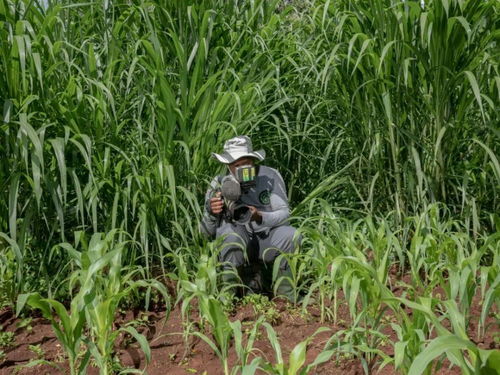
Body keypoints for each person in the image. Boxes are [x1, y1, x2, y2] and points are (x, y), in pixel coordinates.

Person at [200, 135, 300, 302]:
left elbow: (284, 214)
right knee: (229, 233)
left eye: (247, 163)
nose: (243, 168)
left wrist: (259, 216)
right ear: (228, 165)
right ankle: (228, 296)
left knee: (291, 235)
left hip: (266, 239)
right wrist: (211, 212)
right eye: (236, 165)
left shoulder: (269, 176)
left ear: (254, 160)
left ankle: (287, 296)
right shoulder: (217, 183)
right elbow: (204, 233)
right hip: (238, 242)